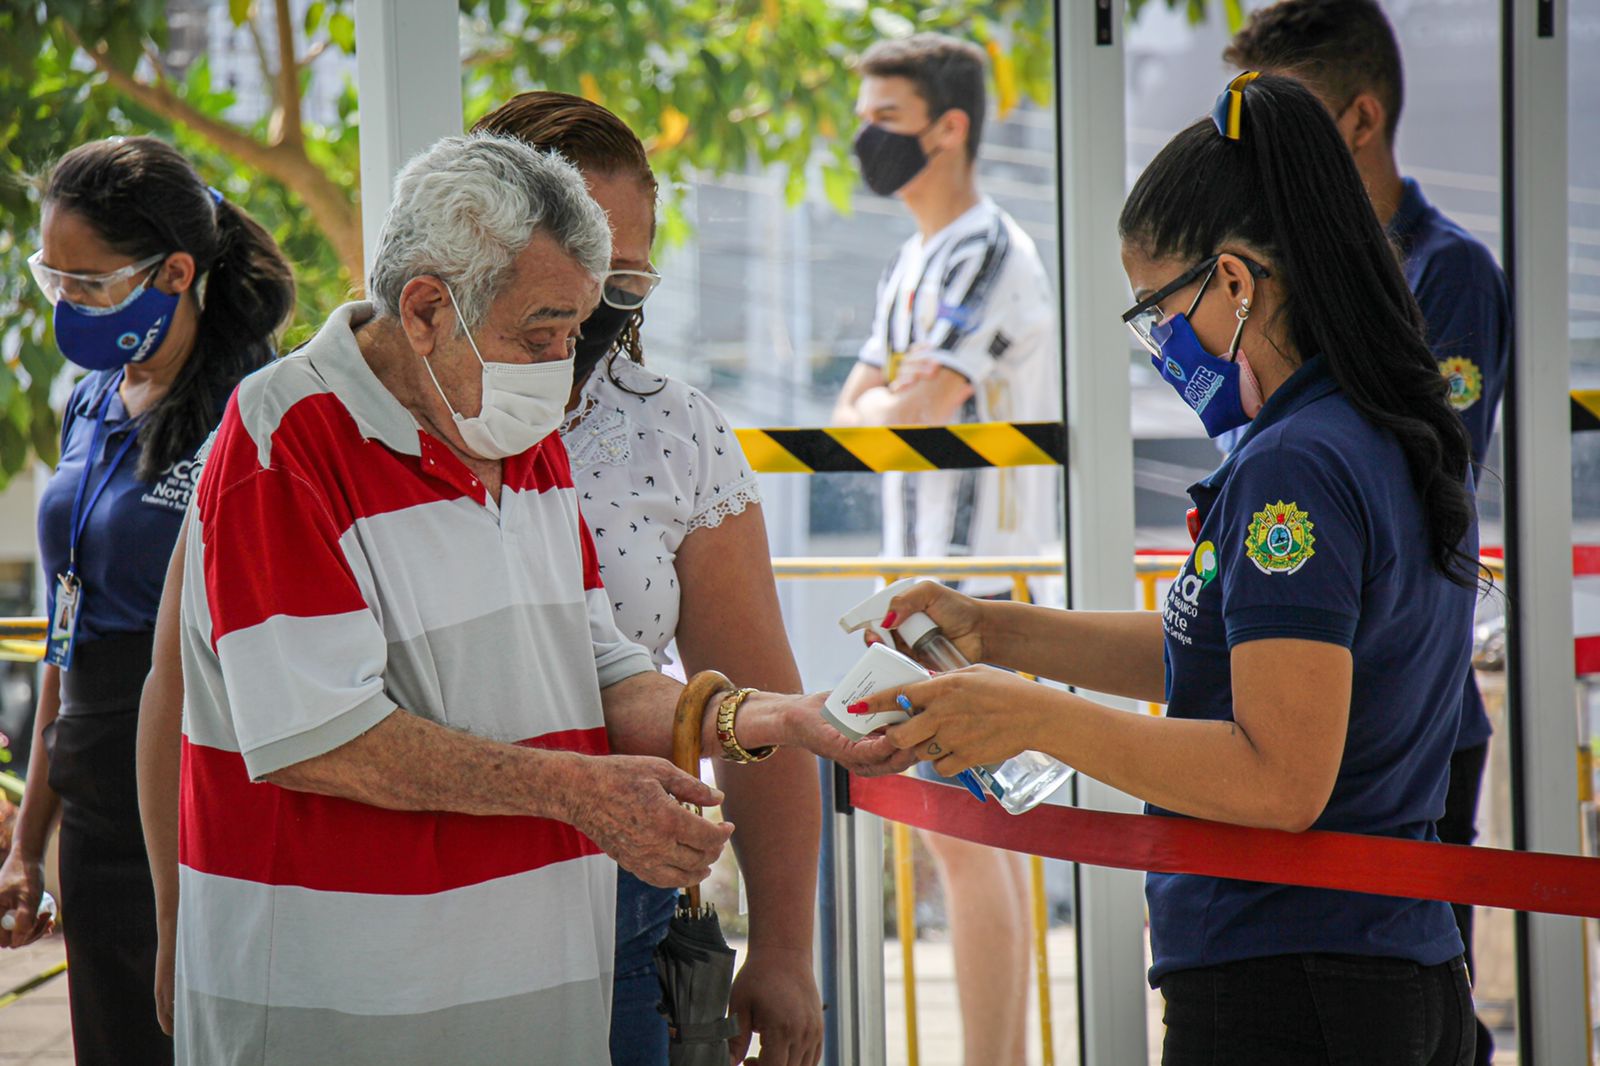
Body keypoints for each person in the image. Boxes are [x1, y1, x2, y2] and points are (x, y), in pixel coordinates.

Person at [166, 132, 899, 1064]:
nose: (565, 362)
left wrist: (766, 718)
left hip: (537, 1007)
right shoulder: (281, 441)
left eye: (583, 324)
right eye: (541, 332)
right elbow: (320, 737)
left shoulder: (516, 429)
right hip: (348, 1013)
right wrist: (578, 792)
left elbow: (595, 667)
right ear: (427, 308)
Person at [849, 73, 1481, 1064]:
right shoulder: (1367, 427)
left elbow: (1279, 778)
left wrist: (1025, 715)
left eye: (1157, 310)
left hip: (1293, 976)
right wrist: (997, 629)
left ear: (1234, 282)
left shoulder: (1294, 464)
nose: (1158, 345)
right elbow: (1237, 652)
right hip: (1377, 958)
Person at [469, 92, 824, 1066]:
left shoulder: (670, 431)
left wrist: (785, 950)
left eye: (622, 277)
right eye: (569, 264)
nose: (589, 308)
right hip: (430, 901)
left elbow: (762, 709)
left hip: (624, 912)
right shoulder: (382, 420)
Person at [1224, 9, 1508, 1059]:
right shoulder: (1266, 329)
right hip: (1304, 687)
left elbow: (1425, 466)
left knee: (1402, 980)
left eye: (1278, 129)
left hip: (1396, 703)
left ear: (1359, 117)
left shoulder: (1444, 274)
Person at [0, 136, 294, 1066]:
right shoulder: (92, 399)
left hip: (207, 814)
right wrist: (28, 847)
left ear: (175, 271)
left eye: (91, 285)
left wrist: (181, 897)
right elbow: (65, 637)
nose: (68, 306)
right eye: (57, 281)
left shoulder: (256, 411)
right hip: (93, 818)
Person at [830, 33, 1057, 1066]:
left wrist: (891, 398)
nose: (864, 139)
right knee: (962, 842)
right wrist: (890, 398)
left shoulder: (988, 250)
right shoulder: (915, 259)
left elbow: (915, 403)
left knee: (974, 845)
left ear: (949, 126)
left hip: (972, 597)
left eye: (885, 119)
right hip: (919, 596)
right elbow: (855, 408)